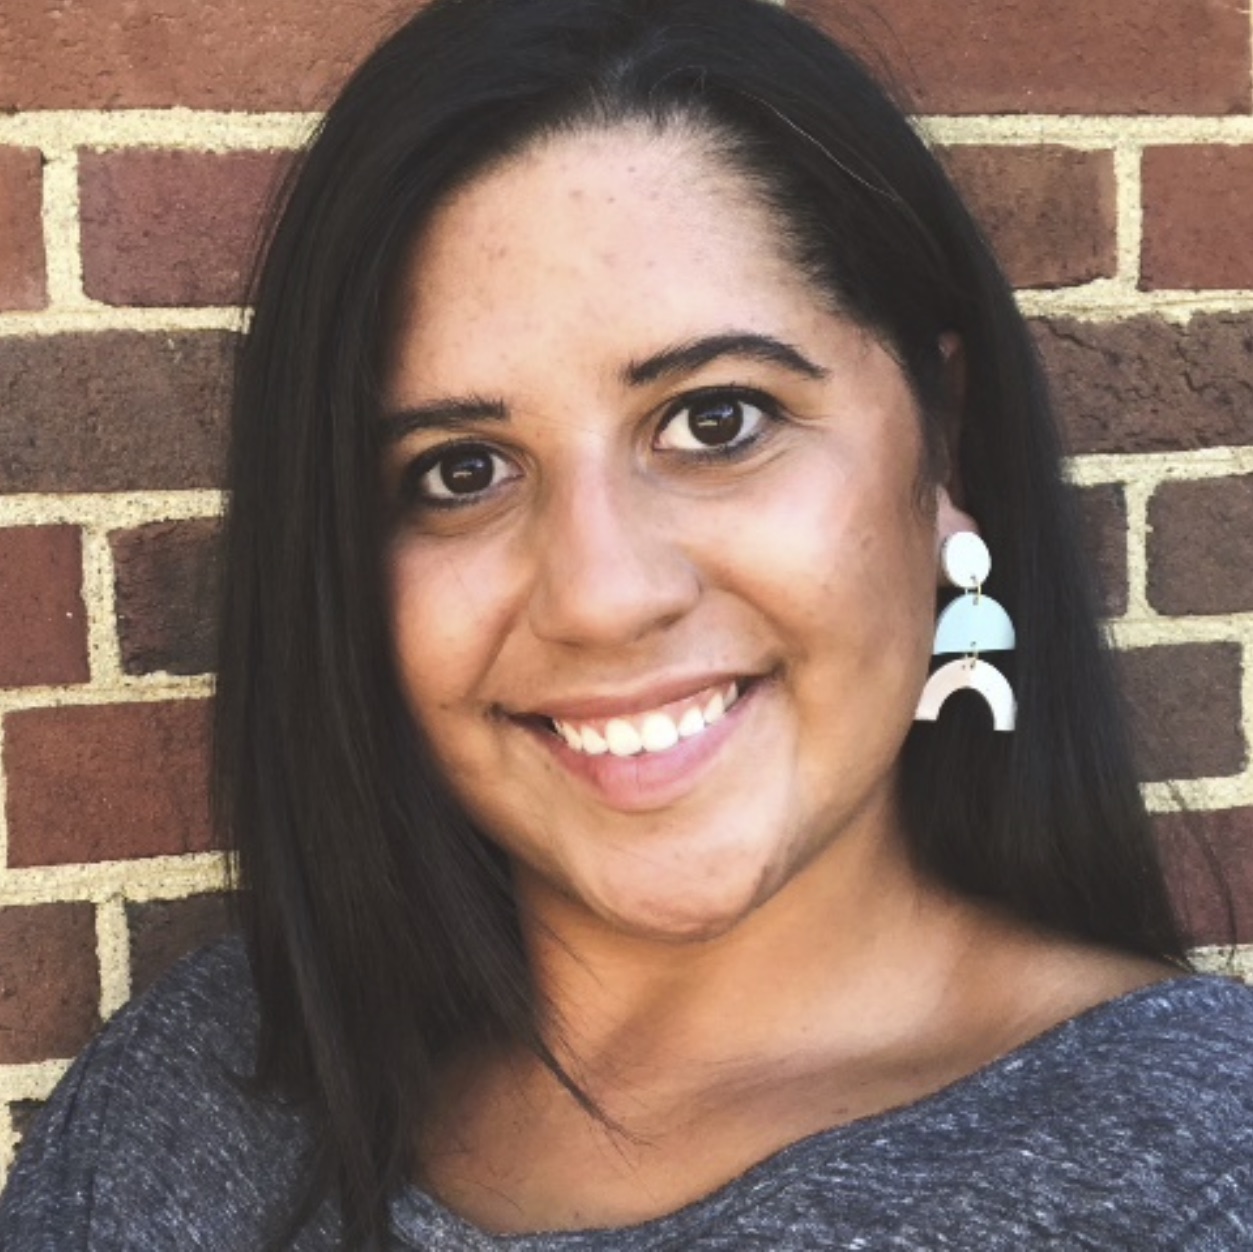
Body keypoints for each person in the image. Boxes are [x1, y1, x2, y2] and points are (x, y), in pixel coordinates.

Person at [4, 0, 1253, 1247]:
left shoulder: (1194, 1162)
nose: (600, 594)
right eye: (458, 470)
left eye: (717, 421)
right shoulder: (202, 1090)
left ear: (945, 441)